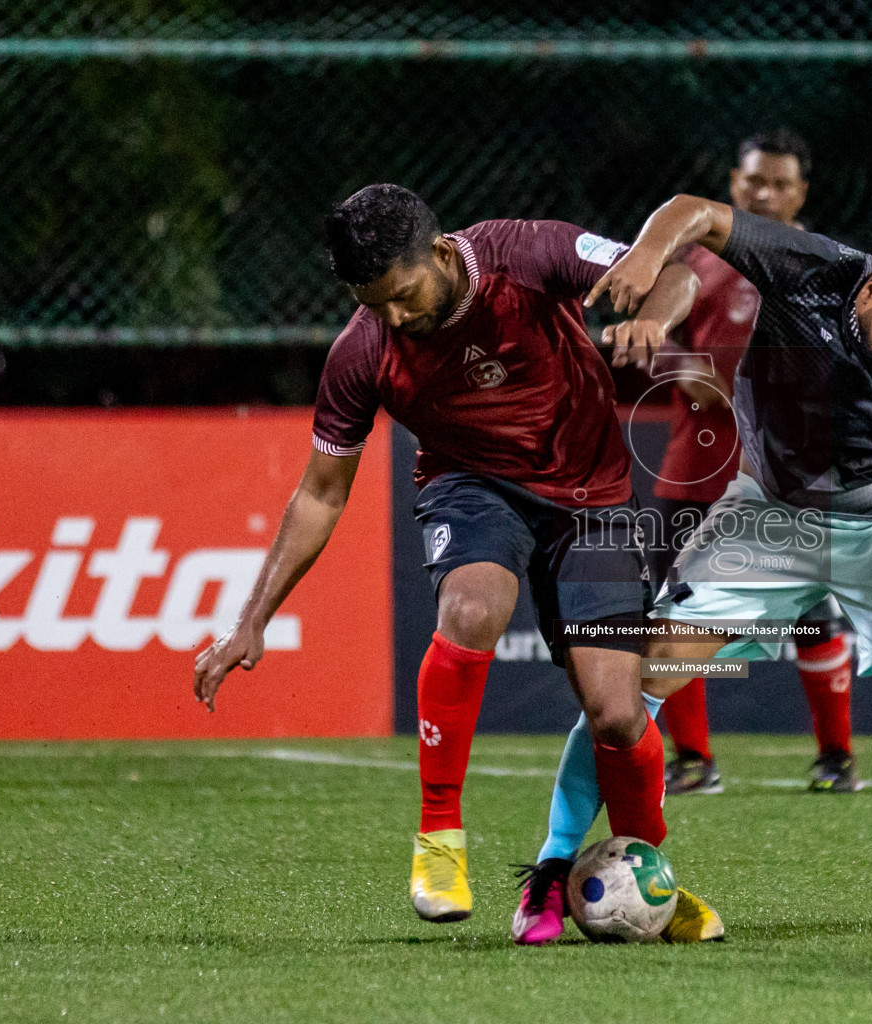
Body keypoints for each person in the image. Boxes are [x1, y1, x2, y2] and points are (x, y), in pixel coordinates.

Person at [517, 194, 872, 947]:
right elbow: (696, 213)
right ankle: (547, 876)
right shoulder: (813, 269)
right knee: (639, 680)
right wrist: (644, 257)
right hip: (770, 512)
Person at [190, 183, 722, 941]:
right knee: (471, 609)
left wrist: (650, 318)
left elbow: (676, 273)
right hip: (473, 488)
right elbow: (319, 495)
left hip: (593, 497)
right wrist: (251, 621)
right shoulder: (364, 351)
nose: (395, 317)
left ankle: (654, 882)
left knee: (615, 712)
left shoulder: (530, 254)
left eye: (403, 295)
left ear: (440, 254)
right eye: (376, 305)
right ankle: (439, 838)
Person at [651, 129, 861, 798]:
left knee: (810, 613)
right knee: (674, 613)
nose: (762, 194)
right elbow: (654, 343)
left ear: (802, 193)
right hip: (695, 464)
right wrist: (681, 365)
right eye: (751, 182)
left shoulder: (828, 267)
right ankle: (694, 760)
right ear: (733, 184)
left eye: (778, 184)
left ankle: (836, 758)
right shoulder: (694, 258)